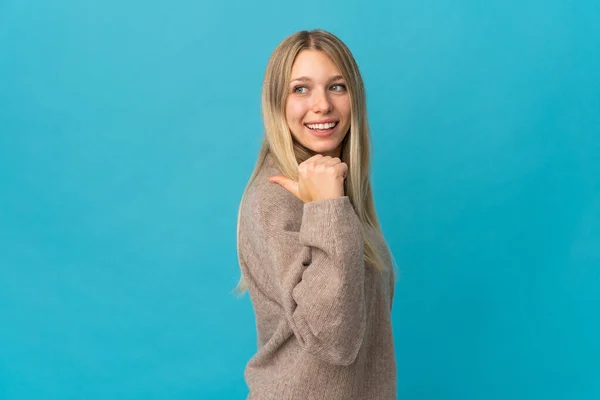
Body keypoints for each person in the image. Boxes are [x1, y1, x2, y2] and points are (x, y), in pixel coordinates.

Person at [233, 29, 399, 400]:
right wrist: (326, 208)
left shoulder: (336, 190)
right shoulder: (275, 199)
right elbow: (335, 340)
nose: (322, 105)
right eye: (301, 89)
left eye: (337, 87)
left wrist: (331, 202)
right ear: (277, 103)